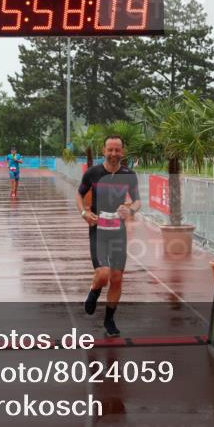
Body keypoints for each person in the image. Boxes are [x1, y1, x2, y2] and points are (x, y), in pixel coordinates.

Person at [76, 135, 141, 337]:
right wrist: (84, 213)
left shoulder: (129, 175)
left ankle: (109, 319)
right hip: (98, 230)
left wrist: (130, 210)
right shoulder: (93, 173)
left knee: (117, 278)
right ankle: (94, 290)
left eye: (117, 150)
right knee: (103, 274)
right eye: (110, 150)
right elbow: (79, 194)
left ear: (122, 152)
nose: (114, 154)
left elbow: (137, 201)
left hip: (118, 231)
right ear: (103, 151)